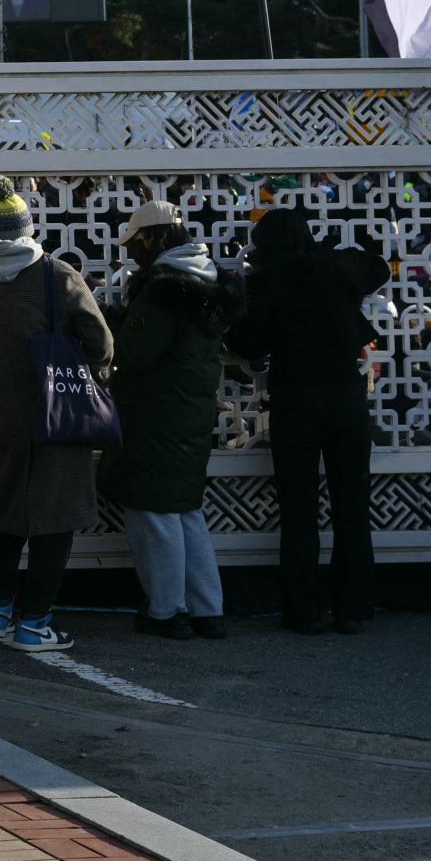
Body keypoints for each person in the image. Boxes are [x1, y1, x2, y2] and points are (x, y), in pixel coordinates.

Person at [0, 176, 114, 653]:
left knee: (8, 514)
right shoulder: (58, 275)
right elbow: (102, 343)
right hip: (59, 415)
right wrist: (78, 378)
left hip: (6, 416)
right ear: (27, 227)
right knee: (55, 518)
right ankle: (35, 624)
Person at [232, 204, 388, 634]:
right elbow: (377, 269)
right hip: (346, 399)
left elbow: (247, 342)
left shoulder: (268, 283)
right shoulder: (336, 267)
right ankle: (353, 608)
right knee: (352, 505)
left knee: (299, 509)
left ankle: (304, 611)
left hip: (296, 401)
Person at [100, 197, 244, 639]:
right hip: (193, 409)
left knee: (153, 512)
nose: (132, 253)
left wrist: (108, 319)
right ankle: (208, 609)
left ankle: (166, 611)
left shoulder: (162, 288)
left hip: (155, 412)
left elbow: (135, 353)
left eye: (136, 243)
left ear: (152, 237)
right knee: (185, 509)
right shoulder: (209, 280)